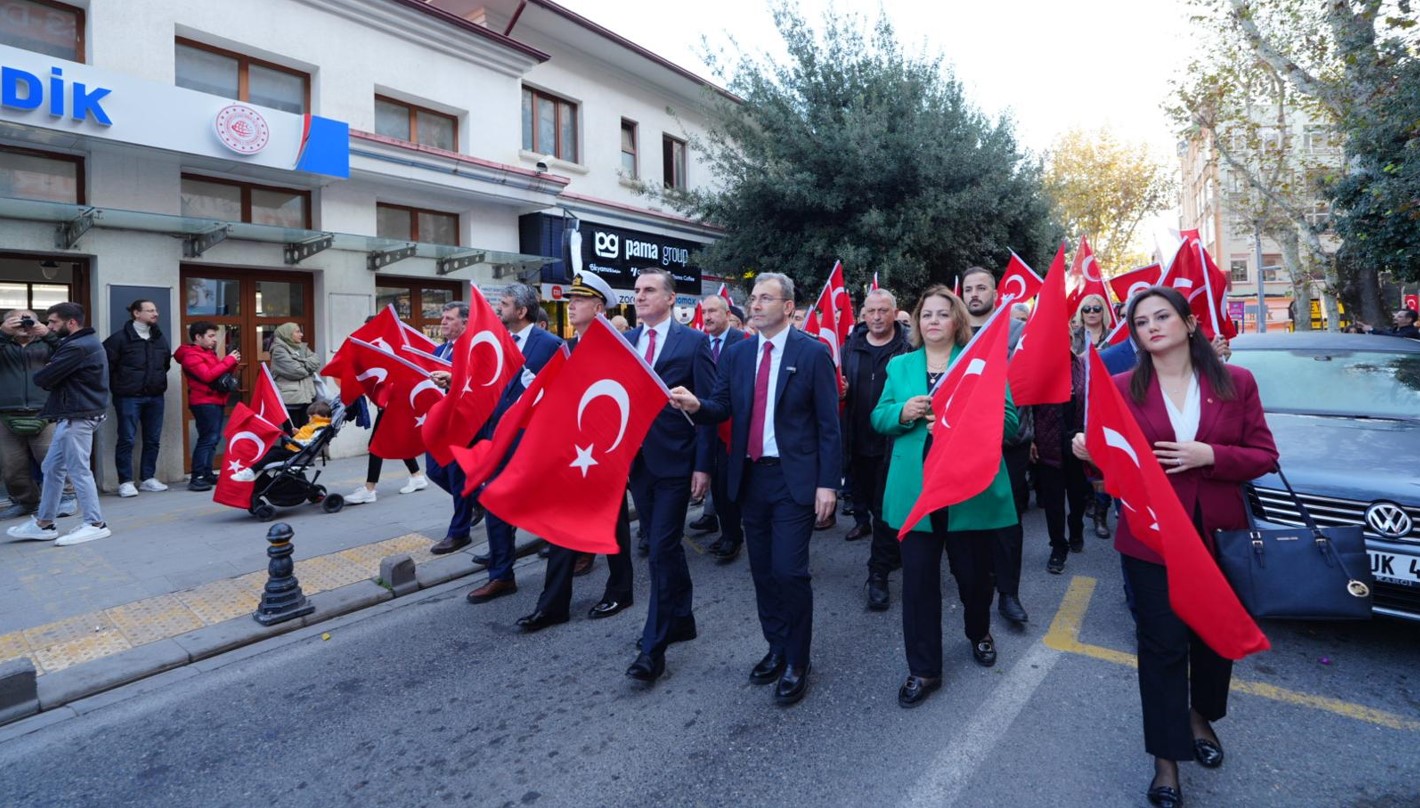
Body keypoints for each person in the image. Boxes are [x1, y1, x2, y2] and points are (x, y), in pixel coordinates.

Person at [1072, 286, 1278, 807]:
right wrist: (1088, 451)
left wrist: (1210, 453)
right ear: (1135, 335)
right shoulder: (1121, 387)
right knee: (1161, 647)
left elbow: (1263, 455)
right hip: (1150, 539)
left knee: (1213, 639)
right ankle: (1166, 763)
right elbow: (1110, 464)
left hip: (1218, 535)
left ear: (1188, 323)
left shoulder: (1236, 383)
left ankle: (1200, 715)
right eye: (1141, 322)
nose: (1152, 327)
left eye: (1162, 316)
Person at [670, 272, 841, 706]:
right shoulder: (739, 355)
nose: (757, 304)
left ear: (788, 307)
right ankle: (777, 647)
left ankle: (798, 660)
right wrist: (697, 406)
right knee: (763, 571)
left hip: (794, 479)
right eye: (755, 298)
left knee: (789, 570)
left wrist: (827, 484)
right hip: (749, 478)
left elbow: (828, 426)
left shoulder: (813, 354)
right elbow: (722, 405)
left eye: (767, 298)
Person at [871, 286, 1019, 708]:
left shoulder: (981, 364)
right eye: (926, 315)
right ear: (917, 323)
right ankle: (924, 669)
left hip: (967, 491)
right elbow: (878, 417)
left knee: (973, 579)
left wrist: (963, 427)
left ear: (956, 321)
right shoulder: (899, 367)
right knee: (917, 584)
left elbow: (1009, 425)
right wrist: (902, 413)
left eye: (942, 314)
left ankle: (979, 631)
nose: (933, 321)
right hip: (915, 494)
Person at [517, 271, 636, 630]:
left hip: (605, 453)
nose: (571, 306)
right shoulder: (567, 347)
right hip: (572, 452)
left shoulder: (617, 348)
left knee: (613, 526)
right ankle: (553, 604)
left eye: (579, 301)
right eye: (571, 300)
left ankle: (621, 588)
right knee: (561, 526)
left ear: (599, 308)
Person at [621, 268, 715, 685]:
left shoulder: (694, 344)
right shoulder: (625, 342)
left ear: (671, 298)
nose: (639, 296)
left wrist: (704, 465)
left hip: (678, 462)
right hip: (639, 463)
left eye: (649, 290)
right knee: (667, 547)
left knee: (659, 549)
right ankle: (683, 617)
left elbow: (710, 409)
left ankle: (651, 649)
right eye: (637, 291)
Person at [464, 284, 565, 604]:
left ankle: (574, 551)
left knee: (549, 507)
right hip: (499, 441)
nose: (499, 309)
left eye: (505, 305)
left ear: (521, 311)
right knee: (494, 500)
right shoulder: (497, 342)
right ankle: (502, 574)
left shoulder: (551, 345)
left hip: (535, 443)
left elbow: (562, 395)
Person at [959, 266, 1029, 625]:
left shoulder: (1017, 331)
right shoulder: (953, 333)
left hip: (1008, 442)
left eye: (981, 287)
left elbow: (1028, 383)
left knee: (1007, 522)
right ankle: (977, 587)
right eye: (969, 288)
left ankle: (1009, 593)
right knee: (970, 520)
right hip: (963, 445)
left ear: (995, 293)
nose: (974, 294)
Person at [7, 303, 111, 546]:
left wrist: (50, 366)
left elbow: (42, 378)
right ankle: (45, 523)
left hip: (78, 415)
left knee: (78, 470)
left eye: (53, 322)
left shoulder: (78, 346)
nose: (49, 326)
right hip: (73, 413)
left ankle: (95, 523)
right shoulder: (80, 343)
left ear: (71, 322)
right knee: (52, 468)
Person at [841, 288, 910, 611]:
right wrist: (840, 392)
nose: (878, 317)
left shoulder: (909, 346)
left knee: (884, 510)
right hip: (857, 442)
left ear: (895, 313)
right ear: (863, 315)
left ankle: (877, 574)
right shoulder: (850, 346)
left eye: (884, 310)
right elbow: (839, 389)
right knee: (868, 504)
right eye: (872, 311)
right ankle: (891, 550)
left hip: (894, 442)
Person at [686, 293, 747, 563]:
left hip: (732, 429)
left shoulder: (743, 342)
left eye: (713, 311)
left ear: (727, 314)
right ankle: (724, 530)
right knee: (716, 489)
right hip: (704, 425)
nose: (708, 316)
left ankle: (733, 536)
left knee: (726, 486)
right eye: (705, 311)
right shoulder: (698, 344)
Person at [0, 309, 76, 520]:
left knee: (53, 460)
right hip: (6, 414)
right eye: (17, 320)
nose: (24, 325)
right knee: (12, 467)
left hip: (45, 411)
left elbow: (71, 354)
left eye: (28, 320)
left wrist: (49, 335)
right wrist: (3, 335)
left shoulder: (48, 344)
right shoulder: (3, 344)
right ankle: (26, 502)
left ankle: (67, 498)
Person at [426, 302, 486, 555]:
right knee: (434, 471)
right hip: (441, 422)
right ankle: (479, 500)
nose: (443, 322)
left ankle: (458, 533)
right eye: (443, 318)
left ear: (464, 322)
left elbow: (479, 383)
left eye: (449, 318)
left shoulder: (474, 349)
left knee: (457, 476)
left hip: (464, 424)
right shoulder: (438, 350)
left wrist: (452, 381)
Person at [344, 318, 426, 506]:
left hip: (396, 404)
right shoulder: (384, 347)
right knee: (396, 439)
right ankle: (417, 476)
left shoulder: (391, 347)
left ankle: (370, 489)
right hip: (392, 403)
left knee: (377, 444)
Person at [104, 299, 171, 497]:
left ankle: (148, 478)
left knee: (153, 439)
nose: (155, 313)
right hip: (128, 398)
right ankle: (125, 482)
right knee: (127, 439)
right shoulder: (118, 339)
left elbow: (165, 363)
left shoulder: (159, 338)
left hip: (155, 396)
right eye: (150, 310)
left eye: (156, 309)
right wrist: (123, 385)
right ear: (136, 313)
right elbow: (107, 366)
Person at [1032, 352, 1090, 574]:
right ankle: (1058, 546)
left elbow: (1095, 401)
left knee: (1078, 495)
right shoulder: (1036, 369)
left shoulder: (1083, 365)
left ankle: (1076, 526)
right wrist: (1030, 441)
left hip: (1078, 441)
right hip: (1048, 443)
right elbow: (1026, 405)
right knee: (1053, 501)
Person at [173, 321, 240, 492]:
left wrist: (232, 363)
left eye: (214, 336)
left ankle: (207, 473)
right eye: (210, 336)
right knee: (207, 439)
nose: (214, 340)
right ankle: (197, 477)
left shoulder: (207, 353)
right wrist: (228, 361)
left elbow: (219, 373)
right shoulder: (191, 355)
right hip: (203, 401)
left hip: (215, 400)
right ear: (198, 337)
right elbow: (207, 376)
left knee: (213, 439)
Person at [232, 399, 333, 477]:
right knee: (270, 449)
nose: (310, 419)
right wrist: (298, 432)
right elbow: (309, 436)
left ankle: (252, 471)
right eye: (309, 417)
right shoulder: (316, 425)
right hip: (297, 450)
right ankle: (252, 467)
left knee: (274, 454)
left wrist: (293, 441)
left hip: (298, 452)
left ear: (322, 416)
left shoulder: (321, 428)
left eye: (312, 417)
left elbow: (311, 442)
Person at [268, 322, 321, 428]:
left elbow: (316, 361)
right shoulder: (278, 350)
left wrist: (300, 363)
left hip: (307, 398)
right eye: (297, 332)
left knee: (305, 434)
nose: (301, 334)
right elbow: (296, 372)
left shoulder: (302, 347)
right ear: (287, 334)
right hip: (291, 400)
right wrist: (307, 366)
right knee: (292, 435)